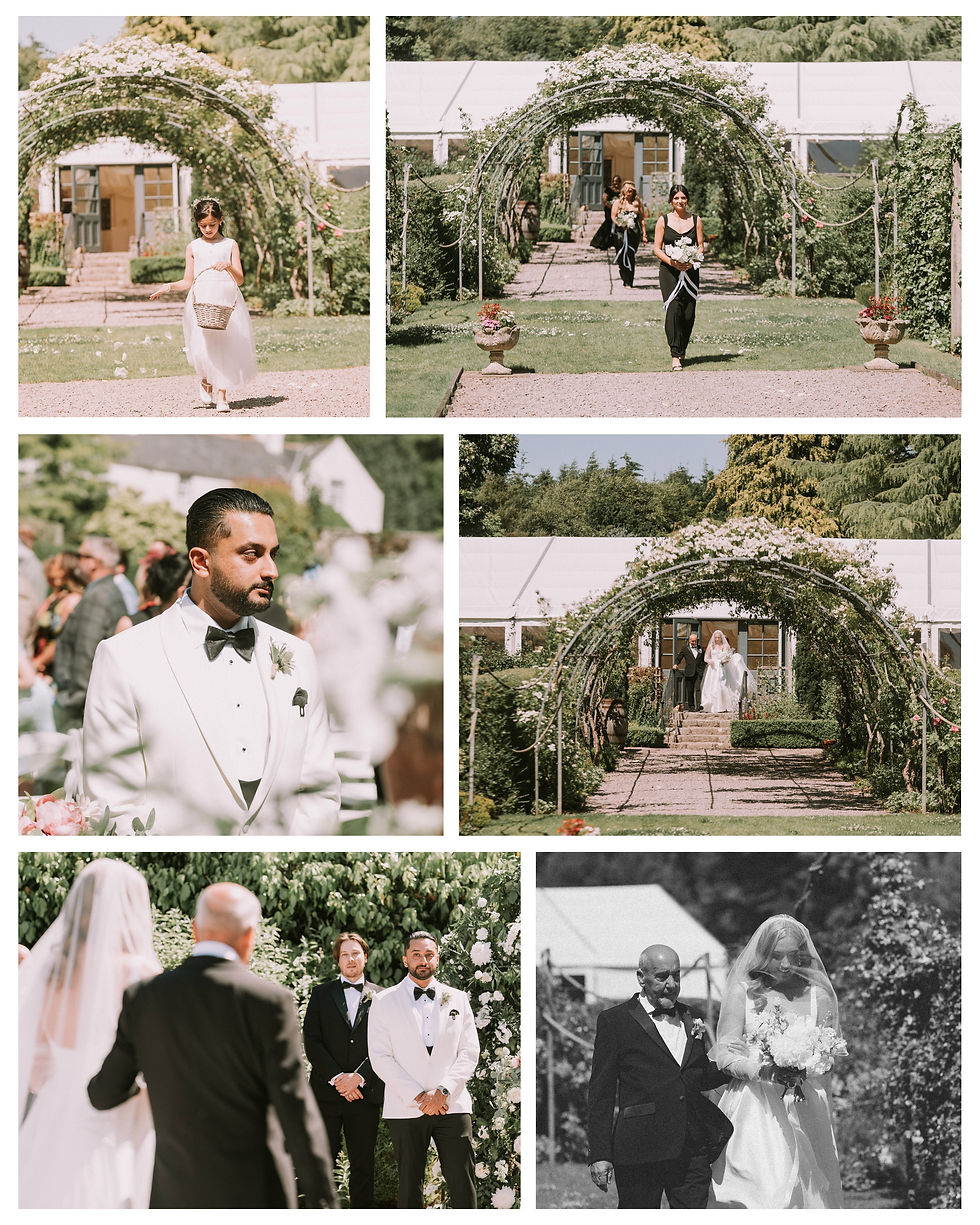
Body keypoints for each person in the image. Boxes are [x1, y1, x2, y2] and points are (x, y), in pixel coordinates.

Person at [82, 487, 340, 835]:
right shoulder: (124, 657)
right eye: (252, 554)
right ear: (201, 561)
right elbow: (112, 804)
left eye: (272, 554)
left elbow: (318, 790)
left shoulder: (299, 657)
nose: (272, 570)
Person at [88, 882, 338, 1209]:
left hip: (174, 1195)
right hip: (255, 1194)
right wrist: (324, 1204)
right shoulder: (269, 1002)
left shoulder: (144, 997)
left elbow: (103, 1093)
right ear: (250, 935)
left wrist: (148, 1088)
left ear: (195, 930)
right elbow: (296, 1110)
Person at [19, 859, 162, 1207]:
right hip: (114, 1108)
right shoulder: (138, 971)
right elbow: (159, 1053)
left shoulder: (51, 971)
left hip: (52, 1109)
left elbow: (34, 1070)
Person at [709, 915, 845, 1208]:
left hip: (805, 1103)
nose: (785, 965)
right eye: (776, 956)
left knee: (809, 1190)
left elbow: (829, 1052)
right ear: (762, 955)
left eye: (793, 956)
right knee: (763, 1190)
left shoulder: (818, 997)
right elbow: (724, 1054)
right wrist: (764, 1071)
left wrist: (803, 1065)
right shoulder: (743, 993)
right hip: (755, 1106)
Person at [587, 944, 732, 1209]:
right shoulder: (614, 1021)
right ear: (641, 977)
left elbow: (696, 1075)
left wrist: (737, 1067)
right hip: (639, 1148)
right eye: (662, 976)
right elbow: (601, 1092)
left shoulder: (691, 1017)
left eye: (676, 976)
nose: (672, 984)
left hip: (691, 1149)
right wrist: (599, 1154)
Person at [368, 931, 479, 1209]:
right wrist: (419, 1096)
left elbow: (469, 1051)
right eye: (416, 954)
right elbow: (380, 1057)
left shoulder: (458, 998)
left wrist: (443, 1091)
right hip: (406, 1106)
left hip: (452, 1105)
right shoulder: (384, 1002)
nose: (423, 960)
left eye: (429, 954)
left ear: (437, 958)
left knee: (463, 1182)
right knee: (409, 1185)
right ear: (405, 959)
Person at [149, 197, 256, 408]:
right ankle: (207, 380)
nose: (208, 229)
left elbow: (240, 279)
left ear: (221, 220)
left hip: (226, 301)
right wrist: (168, 286)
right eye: (203, 225)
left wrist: (228, 266)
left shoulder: (230, 245)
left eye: (212, 225)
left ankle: (222, 396)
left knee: (225, 346)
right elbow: (188, 281)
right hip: (201, 302)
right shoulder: (193, 247)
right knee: (203, 348)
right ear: (197, 224)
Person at [303, 931, 385, 1208]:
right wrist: (339, 1079)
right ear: (338, 961)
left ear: (365, 956)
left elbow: (385, 1045)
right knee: (322, 1162)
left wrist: (358, 1078)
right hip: (326, 1094)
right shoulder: (321, 994)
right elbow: (312, 1041)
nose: (350, 959)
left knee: (363, 1164)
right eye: (344, 954)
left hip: (365, 1094)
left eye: (355, 953)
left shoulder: (383, 997)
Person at [52, 535, 128, 731]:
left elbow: (86, 657)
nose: (76, 561)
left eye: (80, 555)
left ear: (93, 562)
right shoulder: (105, 591)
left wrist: (68, 704)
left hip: (77, 713)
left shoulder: (99, 597)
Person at [653, 184, 704, 371]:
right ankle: (675, 355)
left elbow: (701, 246)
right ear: (671, 200)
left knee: (688, 312)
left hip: (690, 271)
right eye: (676, 198)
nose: (680, 201)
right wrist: (672, 262)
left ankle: (682, 348)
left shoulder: (696, 220)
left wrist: (692, 259)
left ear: (687, 199)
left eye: (683, 198)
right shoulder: (663, 220)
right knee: (674, 308)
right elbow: (656, 248)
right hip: (669, 271)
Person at [32, 552, 85, 675]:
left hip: (53, 669)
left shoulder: (73, 600)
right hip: (40, 663)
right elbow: (38, 619)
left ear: (64, 570)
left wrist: (39, 662)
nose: (51, 563)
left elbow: (61, 639)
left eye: (55, 561)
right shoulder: (56, 597)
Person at [700, 629, 756, 714]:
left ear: (721, 638)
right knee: (713, 687)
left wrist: (724, 660)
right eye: (716, 638)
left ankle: (724, 705)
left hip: (722, 668)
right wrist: (710, 661)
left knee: (723, 686)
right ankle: (714, 706)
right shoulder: (711, 646)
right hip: (713, 669)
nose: (717, 639)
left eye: (719, 637)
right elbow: (706, 658)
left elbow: (729, 657)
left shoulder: (725, 646)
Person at [611, 180, 647, 288]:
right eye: (627, 191)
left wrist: (644, 234)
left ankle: (630, 280)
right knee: (622, 254)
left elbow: (641, 220)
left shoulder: (637, 203)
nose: (629, 193)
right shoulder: (618, 203)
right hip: (620, 231)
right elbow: (613, 216)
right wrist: (620, 223)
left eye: (631, 191)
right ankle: (624, 277)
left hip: (633, 231)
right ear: (623, 191)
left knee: (631, 254)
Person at [672, 631, 706, 712]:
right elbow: (679, 657)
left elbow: (704, 660)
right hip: (689, 672)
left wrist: (702, 669)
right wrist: (676, 664)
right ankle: (691, 707)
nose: (694, 642)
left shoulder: (701, 649)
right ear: (690, 641)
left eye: (696, 641)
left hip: (698, 672)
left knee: (698, 689)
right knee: (690, 690)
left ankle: (698, 706)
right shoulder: (685, 648)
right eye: (693, 641)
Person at [589, 174, 622, 251]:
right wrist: (609, 205)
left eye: (617, 182)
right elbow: (604, 199)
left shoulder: (620, 191)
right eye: (614, 181)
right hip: (609, 209)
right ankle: (599, 242)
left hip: (617, 210)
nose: (616, 183)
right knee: (607, 224)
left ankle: (612, 242)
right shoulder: (609, 189)